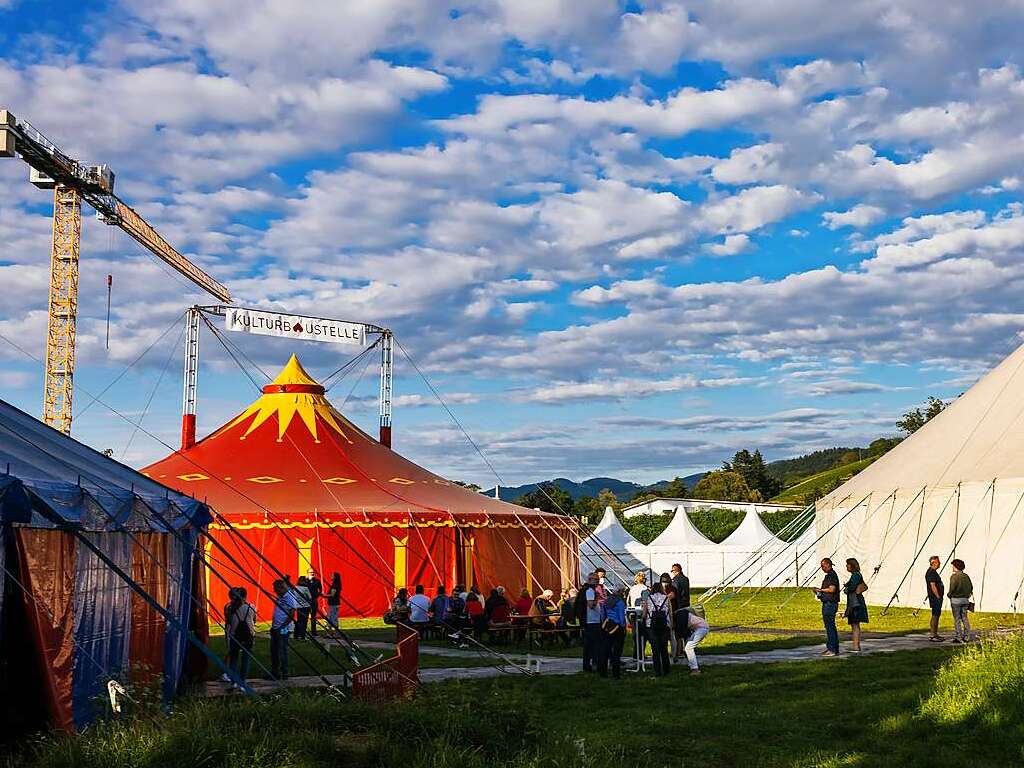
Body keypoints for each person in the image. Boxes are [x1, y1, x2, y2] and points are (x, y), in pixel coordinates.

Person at [226, 587, 256, 683]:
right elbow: (254, 620)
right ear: (245, 596)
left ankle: (233, 681)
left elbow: (229, 621)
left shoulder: (230, 608)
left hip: (235, 635)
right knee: (245, 659)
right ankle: (242, 681)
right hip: (248, 635)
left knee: (233, 659)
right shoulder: (251, 607)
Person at [812, 558, 841, 656]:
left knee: (830, 626)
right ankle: (832, 647)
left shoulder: (832, 576)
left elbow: (832, 589)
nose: (822, 568)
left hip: (830, 604)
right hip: (827, 603)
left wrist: (820, 590)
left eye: (823, 566)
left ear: (828, 565)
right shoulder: (828, 576)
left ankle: (832, 649)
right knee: (829, 626)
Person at [643, 582, 673, 676]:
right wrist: (671, 625)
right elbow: (670, 613)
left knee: (655, 649)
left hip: (651, 625)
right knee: (664, 648)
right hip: (664, 624)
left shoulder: (648, 598)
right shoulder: (666, 598)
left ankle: (657, 671)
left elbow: (644, 614)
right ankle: (666, 670)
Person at [270, 579, 297, 680]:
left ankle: (284, 672)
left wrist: (282, 627)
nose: (275, 592)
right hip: (275, 627)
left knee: (282, 651)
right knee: (274, 651)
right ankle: (275, 672)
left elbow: (292, 614)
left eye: (276, 589)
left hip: (283, 629)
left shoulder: (289, 597)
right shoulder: (280, 595)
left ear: (281, 588)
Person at [598, 586, 627, 679]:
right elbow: (621, 616)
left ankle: (603, 672)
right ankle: (616, 673)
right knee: (617, 652)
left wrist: (604, 623)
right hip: (617, 627)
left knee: (605, 650)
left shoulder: (606, 601)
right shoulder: (620, 602)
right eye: (623, 591)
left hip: (607, 625)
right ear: (620, 592)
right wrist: (623, 627)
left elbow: (603, 614)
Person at [842, 558, 869, 652]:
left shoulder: (855, 575)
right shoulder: (855, 575)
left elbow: (852, 587)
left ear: (852, 565)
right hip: (854, 601)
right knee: (854, 624)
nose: (846, 566)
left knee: (855, 624)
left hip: (855, 602)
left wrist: (847, 588)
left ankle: (856, 646)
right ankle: (855, 645)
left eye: (848, 564)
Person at [948, 559, 974, 643]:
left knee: (957, 619)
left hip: (956, 600)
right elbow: (971, 587)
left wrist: (949, 595)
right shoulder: (966, 576)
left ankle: (958, 636)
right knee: (965, 618)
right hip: (965, 600)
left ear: (956, 566)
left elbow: (952, 588)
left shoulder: (954, 576)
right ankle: (966, 636)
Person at [628, 572, 650, 662]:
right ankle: (641, 654)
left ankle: (635, 654)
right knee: (643, 635)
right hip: (641, 613)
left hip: (633, 612)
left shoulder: (632, 588)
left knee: (635, 635)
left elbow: (628, 601)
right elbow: (646, 601)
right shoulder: (645, 589)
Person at [583, 573, 603, 672]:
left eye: (597, 579)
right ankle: (592, 664)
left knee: (591, 644)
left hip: (593, 620)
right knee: (593, 644)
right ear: (589, 580)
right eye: (595, 579)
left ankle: (589, 664)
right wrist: (597, 598)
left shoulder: (591, 590)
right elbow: (591, 605)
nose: (597, 581)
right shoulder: (590, 591)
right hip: (592, 621)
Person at [680, 606, 710, 675]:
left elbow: (679, 638)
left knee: (688, 648)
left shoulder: (680, 617)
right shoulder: (682, 614)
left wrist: (676, 655)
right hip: (700, 627)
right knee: (687, 648)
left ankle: (695, 670)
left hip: (702, 628)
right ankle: (692, 666)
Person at [925, 556, 945, 641]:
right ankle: (933, 635)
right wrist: (938, 596)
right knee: (935, 615)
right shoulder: (931, 572)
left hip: (936, 597)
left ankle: (935, 634)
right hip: (935, 598)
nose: (940, 563)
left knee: (936, 615)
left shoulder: (933, 572)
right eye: (938, 562)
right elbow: (932, 585)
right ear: (933, 563)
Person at [306, 571, 322, 637]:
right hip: (306, 600)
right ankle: (304, 631)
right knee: (305, 616)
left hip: (314, 600)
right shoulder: (305, 580)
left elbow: (320, 589)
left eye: (313, 572)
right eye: (310, 572)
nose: (312, 573)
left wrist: (317, 595)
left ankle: (314, 631)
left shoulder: (317, 581)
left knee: (313, 616)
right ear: (308, 573)